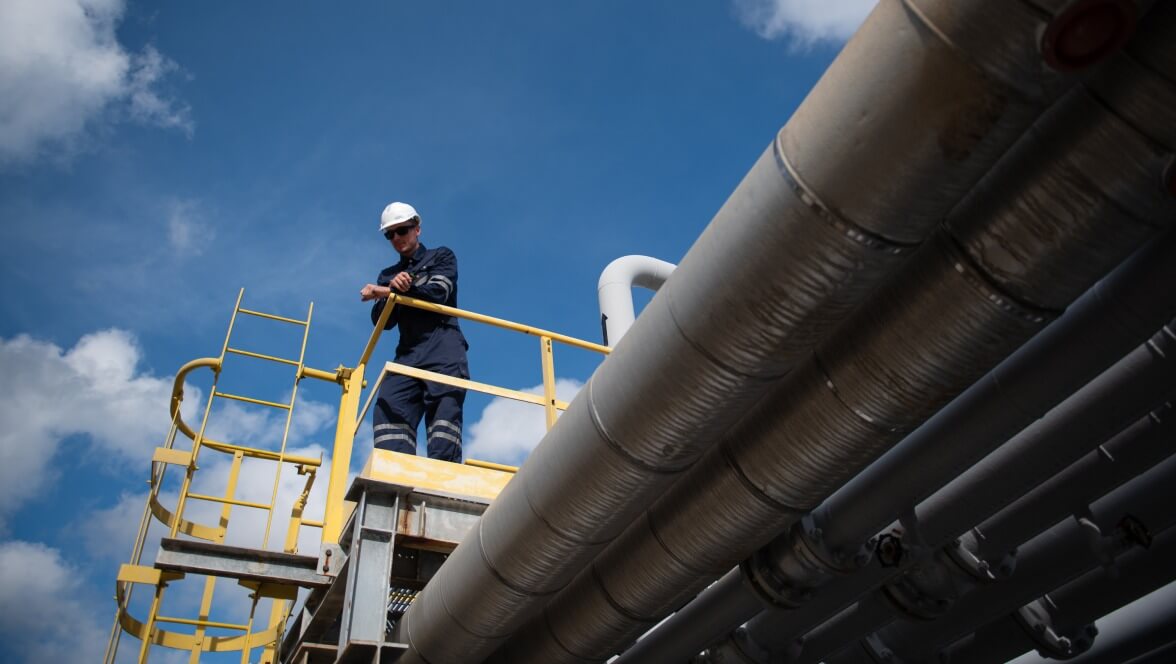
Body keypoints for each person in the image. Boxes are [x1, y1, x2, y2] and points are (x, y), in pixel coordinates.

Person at [360, 201, 468, 462]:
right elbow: (383, 321)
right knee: (389, 404)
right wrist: (391, 289)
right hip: (407, 354)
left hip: (443, 348)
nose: (397, 238)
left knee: (443, 420)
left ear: (417, 228)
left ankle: (443, 477)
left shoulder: (441, 257)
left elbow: (439, 293)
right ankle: (394, 476)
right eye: (390, 234)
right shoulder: (388, 275)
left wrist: (393, 290)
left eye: (403, 230)